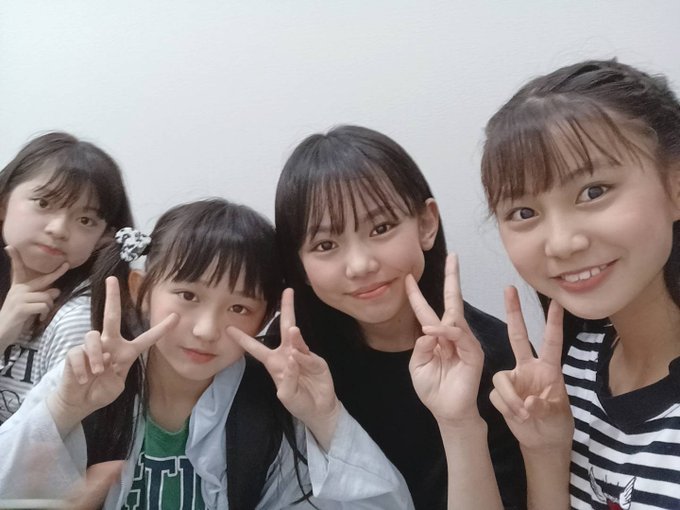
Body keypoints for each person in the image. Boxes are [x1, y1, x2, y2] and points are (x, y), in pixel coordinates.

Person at [0, 198, 414, 509]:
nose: (206, 330)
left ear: (265, 318)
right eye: (187, 296)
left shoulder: (268, 408)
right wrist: (63, 410)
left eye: (239, 308)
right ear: (141, 291)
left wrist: (325, 417)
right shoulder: (85, 378)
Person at [452, 59, 680, 510]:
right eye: (524, 213)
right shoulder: (579, 362)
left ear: (674, 184)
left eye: (594, 191)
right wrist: (544, 450)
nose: (561, 243)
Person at [269, 125, 527, 509]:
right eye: (325, 244)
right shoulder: (290, 367)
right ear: (299, 265)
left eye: (381, 228)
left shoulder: (496, 354)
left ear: (426, 224)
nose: (360, 264)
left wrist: (459, 423)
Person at [0, 132, 133, 423]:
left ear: (103, 237)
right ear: (3, 202)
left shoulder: (76, 321)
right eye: (44, 203)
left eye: (85, 220)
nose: (59, 229)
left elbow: (45, 442)